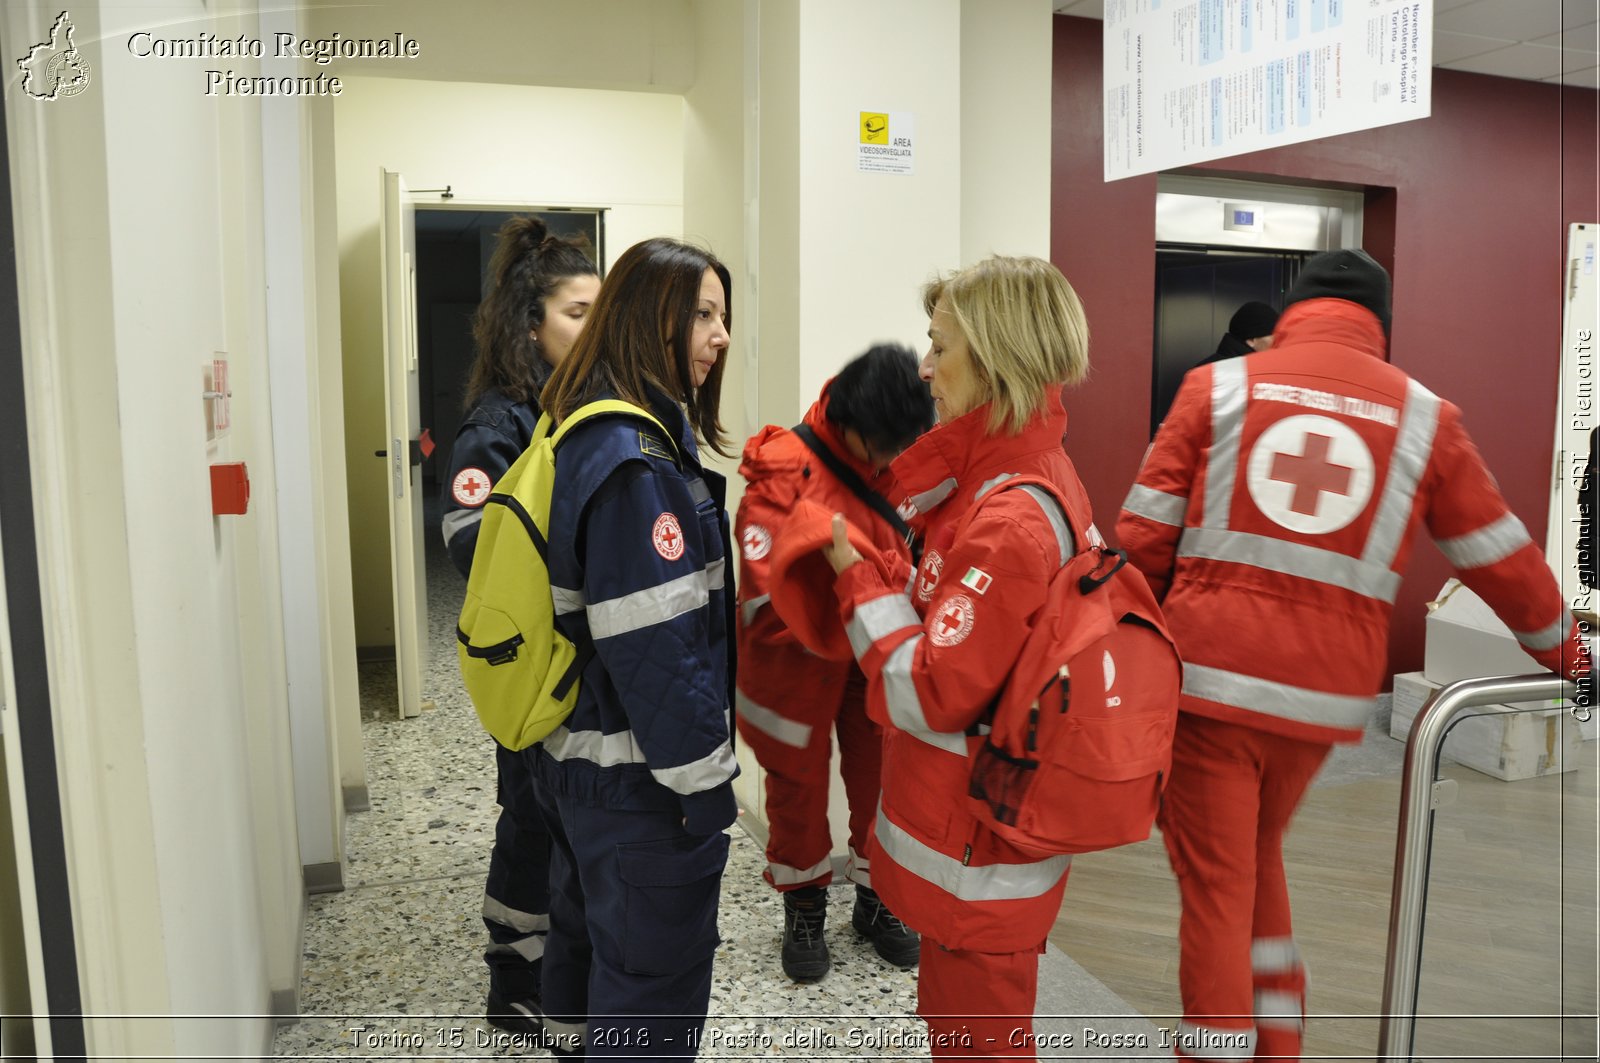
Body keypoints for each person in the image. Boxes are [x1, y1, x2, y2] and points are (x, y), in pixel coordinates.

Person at [1116, 249, 1589, 1062]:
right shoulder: (1424, 417)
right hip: (1318, 710)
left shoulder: (1217, 389)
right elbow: (1502, 557)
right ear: (1380, 325)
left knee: (1218, 895)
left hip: (1210, 695)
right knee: (1255, 865)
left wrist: (1132, 671)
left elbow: (1140, 543)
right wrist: (1572, 657)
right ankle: (1279, 1040)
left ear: (1296, 308)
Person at [815, 256, 1094, 1058]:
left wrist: (857, 582)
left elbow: (932, 692)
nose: (925, 369)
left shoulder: (1010, 520)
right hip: (974, 845)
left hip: (983, 865)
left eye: (941, 348)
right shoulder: (993, 484)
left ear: (998, 359)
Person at [530, 237, 739, 1059]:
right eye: (704, 313)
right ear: (649, 317)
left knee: (588, 969)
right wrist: (706, 786)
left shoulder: (586, 428)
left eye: (725, 316)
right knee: (651, 995)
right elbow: (656, 651)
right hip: (637, 786)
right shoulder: (634, 461)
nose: (721, 335)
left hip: (586, 770)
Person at [439, 216, 600, 1034]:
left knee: (562, 816)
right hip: (527, 664)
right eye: (576, 312)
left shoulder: (580, 408)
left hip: (571, 662)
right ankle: (512, 974)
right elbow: (471, 541)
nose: (590, 327)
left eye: (597, 312)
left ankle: (562, 959)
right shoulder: (498, 422)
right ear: (530, 322)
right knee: (530, 814)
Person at [734, 343, 933, 982]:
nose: (888, 461)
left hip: (872, 650)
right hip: (801, 654)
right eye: (879, 448)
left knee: (883, 778)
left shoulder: (902, 454)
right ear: (847, 424)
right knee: (798, 788)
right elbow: (767, 579)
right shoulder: (783, 467)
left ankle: (877, 902)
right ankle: (806, 905)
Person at [1196, 300, 1279, 367]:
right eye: (1273, 335)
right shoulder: (1250, 374)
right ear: (1251, 340)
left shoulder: (1204, 369)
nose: (1278, 341)